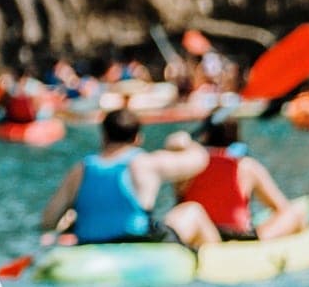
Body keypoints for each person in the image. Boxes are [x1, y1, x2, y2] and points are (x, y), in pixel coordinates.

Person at [40, 106, 212, 247]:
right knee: (192, 211)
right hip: (136, 244)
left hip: (89, 243)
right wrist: (186, 142)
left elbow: (48, 220)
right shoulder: (145, 163)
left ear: (104, 136)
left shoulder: (81, 169)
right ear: (138, 138)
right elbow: (200, 161)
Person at [173, 112, 304, 243]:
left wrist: (190, 141)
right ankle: (262, 243)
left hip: (204, 234)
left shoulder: (190, 165)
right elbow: (281, 207)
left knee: (190, 211)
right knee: (295, 211)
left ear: (205, 134)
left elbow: (176, 143)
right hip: (240, 238)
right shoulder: (246, 166)